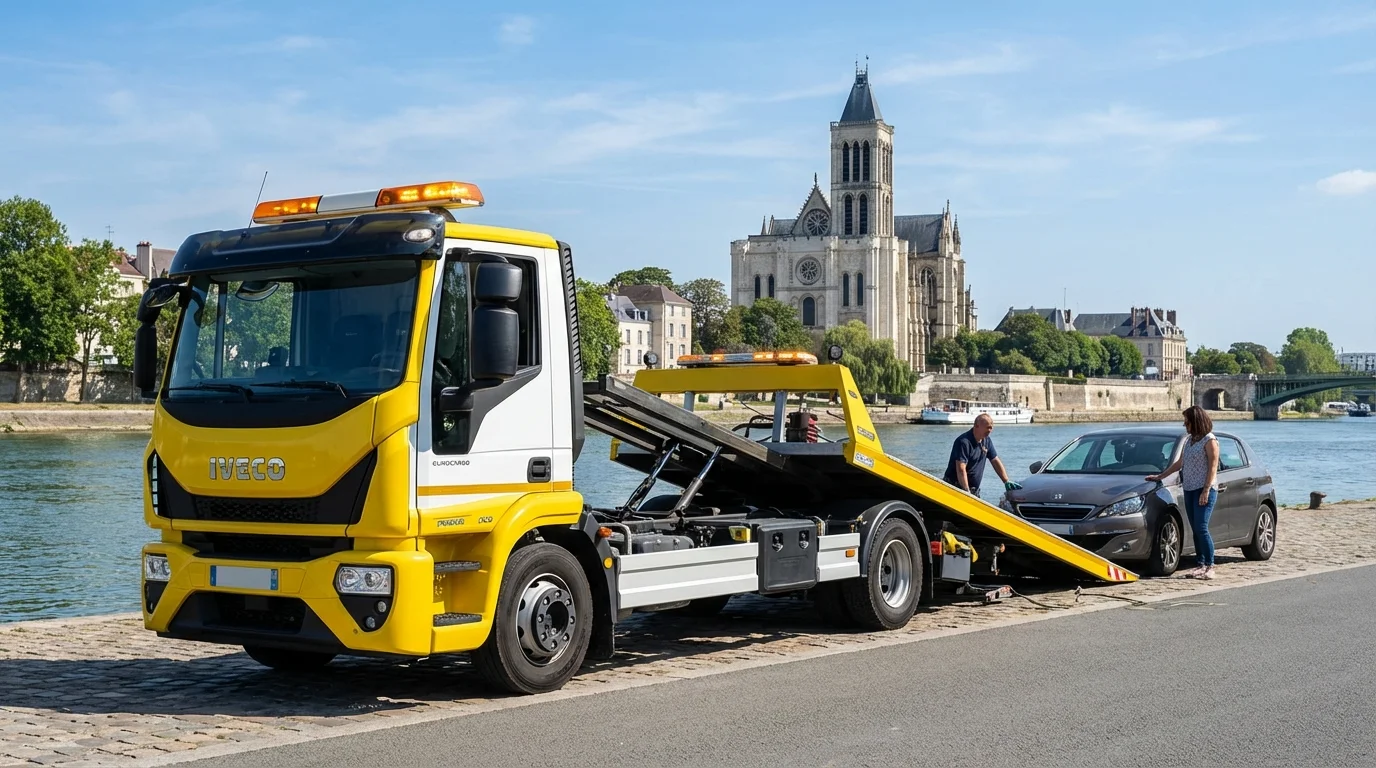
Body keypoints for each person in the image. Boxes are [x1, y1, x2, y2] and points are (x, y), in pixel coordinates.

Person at [1147, 406, 1220, 579]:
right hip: (1189, 489)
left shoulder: (1210, 440)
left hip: (1205, 490)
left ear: (1195, 421)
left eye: (1186, 420)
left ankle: (1210, 565)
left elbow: (1213, 467)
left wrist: (1206, 490)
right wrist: (1161, 476)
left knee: (1202, 527)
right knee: (1195, 528)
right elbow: (1180, 463)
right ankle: (1200, 564)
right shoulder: (1190, 440)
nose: (1184, 424)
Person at [942, 414, 1021, 497]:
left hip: (973, 490)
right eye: (988, 427)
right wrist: (966, 491)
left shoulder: (986, 441)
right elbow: (961, 468)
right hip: (955, 488)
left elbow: (995, 460)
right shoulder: (963, 442)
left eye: (991, 427)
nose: (990, 430)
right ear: (976, 426)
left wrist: (1006, 480)